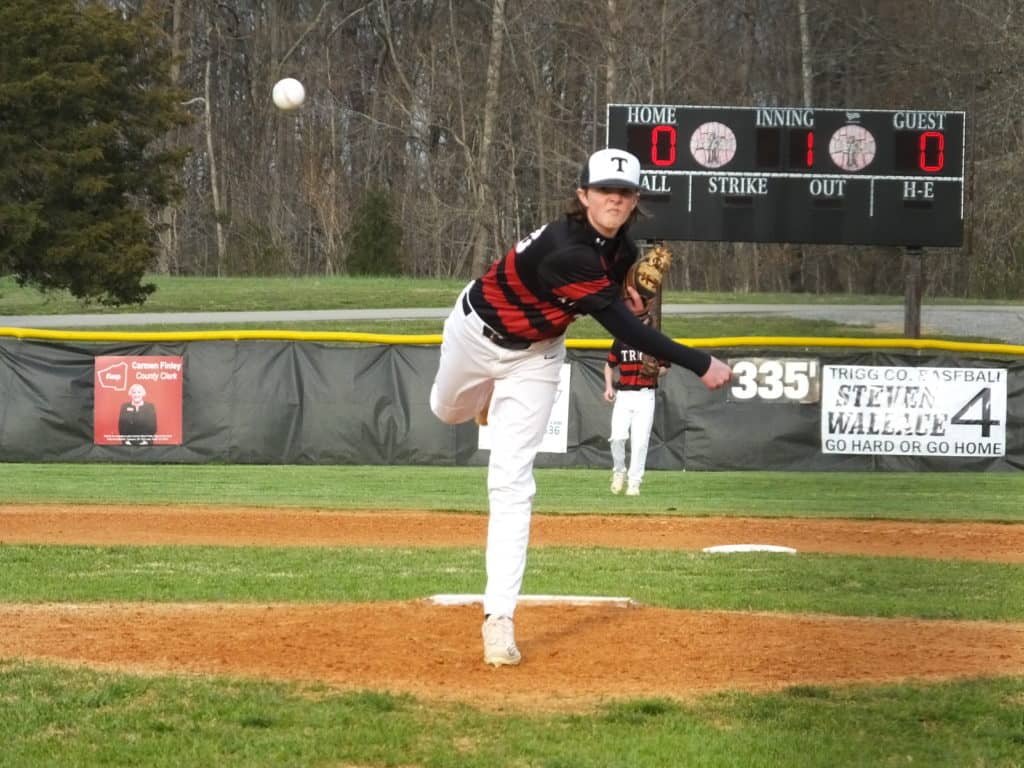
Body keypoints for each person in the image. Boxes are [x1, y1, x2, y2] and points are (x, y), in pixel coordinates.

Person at [429, 147, 732, 667]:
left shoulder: (621, 250)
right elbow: (626, 329)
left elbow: (621, 299)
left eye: (625, 192)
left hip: (538, 356)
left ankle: (499, 618)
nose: (615, 199)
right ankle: (484, 397)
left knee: (511, 481)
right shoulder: (566, 250)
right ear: (583, 195)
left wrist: (628, 292)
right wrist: (699, 362)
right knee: (447, 412)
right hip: (475, 335)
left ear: (635, 200)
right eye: (605, 190)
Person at [604, 323, 668, 496]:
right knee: (617, 438)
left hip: (645, 396)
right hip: (624, 396)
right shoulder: (621, 338)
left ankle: (634, 483)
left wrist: (656, 371)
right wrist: (608, 387)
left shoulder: (654, 339)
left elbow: (665, 367)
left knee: (640, 442)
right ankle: (619, 471)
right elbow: (609, 365)